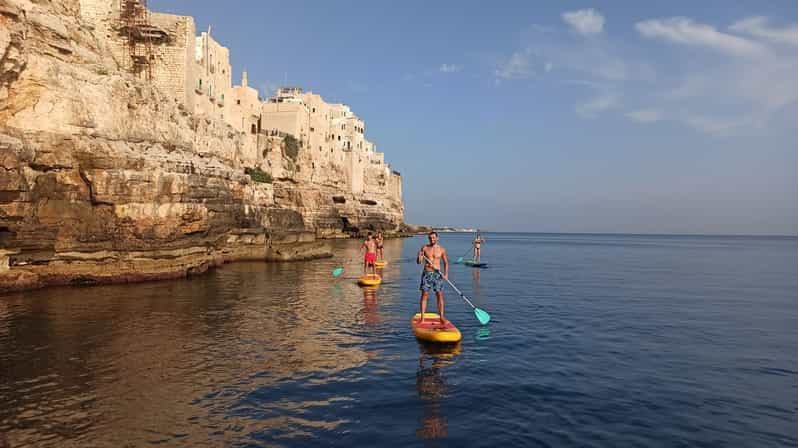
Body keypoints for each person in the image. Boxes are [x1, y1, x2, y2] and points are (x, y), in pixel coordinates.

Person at [417, 231, 449, 324]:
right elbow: (419, 262)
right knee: (424, 295)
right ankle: (422, 318)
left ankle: (441, 317)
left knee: (439, 295)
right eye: (430, 238)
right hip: (427, 273)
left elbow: (446, 263)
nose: (432, 239)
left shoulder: (442, 249)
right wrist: (419, 256)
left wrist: (446, 274)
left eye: (433, 237)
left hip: (437, 274)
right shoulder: (425, 248)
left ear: (437, 238)